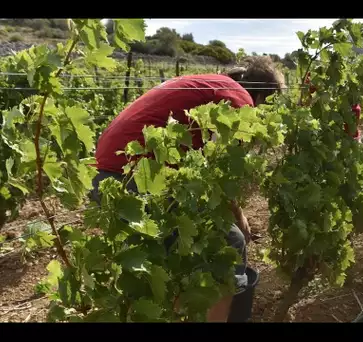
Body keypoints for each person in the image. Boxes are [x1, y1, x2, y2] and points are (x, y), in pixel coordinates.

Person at [89, 55, 285, 322]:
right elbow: (220, 172)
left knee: (169, 260)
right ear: (262, 95)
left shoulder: (208, 84)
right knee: (231, 241)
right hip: (136, 177)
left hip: (106, 175)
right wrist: (239, 217)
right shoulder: (239, 99)